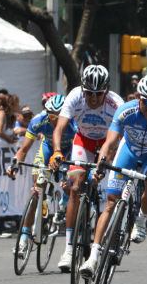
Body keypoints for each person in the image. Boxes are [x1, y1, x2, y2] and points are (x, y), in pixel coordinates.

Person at [78, 75, 147, 278]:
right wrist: (101, 167)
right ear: (138, 98)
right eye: (146, 102)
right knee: (110, 203)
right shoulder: (126, 110)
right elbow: (110, 143)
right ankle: (93, 257)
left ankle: (141, 220)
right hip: (129, 150)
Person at [50, 65, 124, 272]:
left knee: (110, 196)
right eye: (89, 93)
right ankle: (69, 248)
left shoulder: (116, 104)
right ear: (83, 90)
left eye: (98, 93)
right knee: (75, 187)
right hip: (84, 141)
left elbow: (119, 138)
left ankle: (104, 243)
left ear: (106, 91)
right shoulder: (75, 96)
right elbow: (60, 128)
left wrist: (105, 161)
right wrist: (57, 151)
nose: (93, 98)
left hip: (108, 144)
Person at [6, 95, 76, 257]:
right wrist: (14, 164)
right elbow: (23, 150)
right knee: (36, 189)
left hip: (68, 152)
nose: (54, 120)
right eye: (51, 115)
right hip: (48, 148)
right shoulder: (38, 120)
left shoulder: (73, 123)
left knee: (70, 185)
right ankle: (24, 237)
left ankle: (63, 203)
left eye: (58, 116)